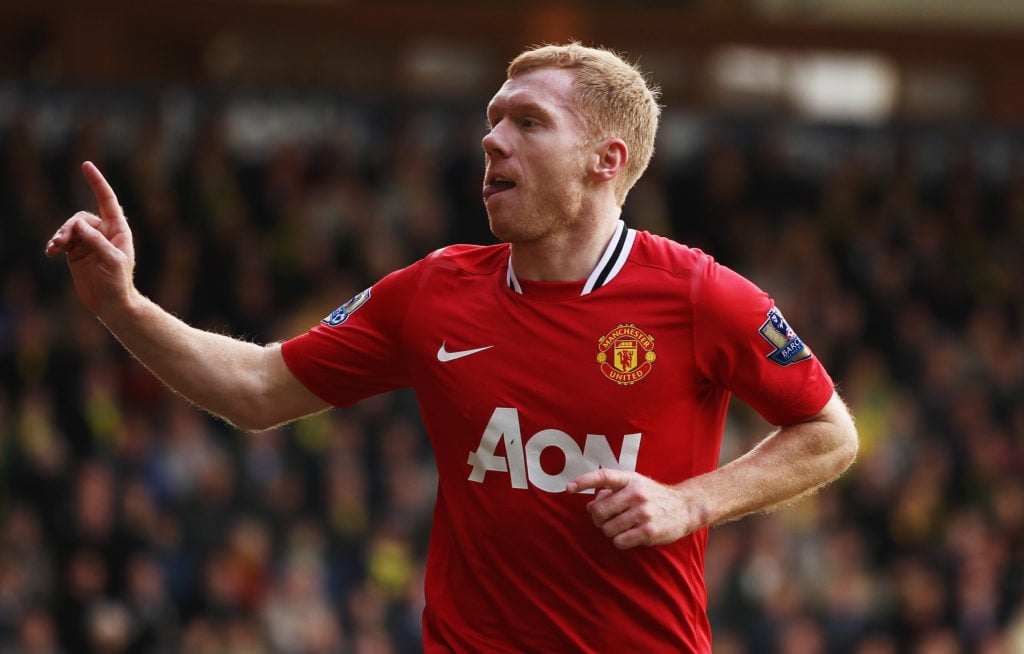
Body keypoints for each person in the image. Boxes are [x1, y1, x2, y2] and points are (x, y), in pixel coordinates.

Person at [46, 42, 858, 653]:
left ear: (606, 161)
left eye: (528, 122)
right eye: (492, 120)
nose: (492, 140)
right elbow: (258, 388)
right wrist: (122, 305)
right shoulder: (434, 291)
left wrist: (692, 502)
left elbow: (831, 433)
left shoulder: (698, 295)